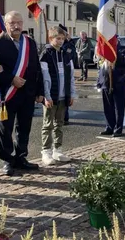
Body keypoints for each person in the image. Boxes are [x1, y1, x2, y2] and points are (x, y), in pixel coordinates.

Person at [0, 11, 44, 176]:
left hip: (28, 94)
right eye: (12, 23)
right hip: (7, 95)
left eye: (19, 22)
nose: (16, 26)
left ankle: (21, 157)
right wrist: (10, 78)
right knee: (5, 128)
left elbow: (36, 69)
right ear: (5, 24)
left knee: (24, 127)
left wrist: (40, 91)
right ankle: (7, 160)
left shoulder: (29, 43)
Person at [39, 27, 77, 166]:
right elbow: (44, 77)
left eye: (62, 38)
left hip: (63, 96)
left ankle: (57, 149)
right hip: (51, 96)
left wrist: (71, 93)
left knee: (59, 124)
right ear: (51, 39)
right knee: (48, 124)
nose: (61, 41)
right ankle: (46, 151)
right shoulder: (46, 54)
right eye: (58, 38)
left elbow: (71, 76)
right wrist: (46, 96)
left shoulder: (66, 54)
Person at [97, 37, 125, 137]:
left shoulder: (123, 50)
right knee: (107, 107)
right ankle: (109, 127)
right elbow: (100, 66)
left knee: (119, 107)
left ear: (116, 40)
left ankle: (118, 129)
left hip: (119, 81)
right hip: (106, 82)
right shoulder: (103, 50)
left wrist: (115, 54)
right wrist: (99, 81)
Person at [59, 25, 76, 125]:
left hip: (66, 72)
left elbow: (69, 56)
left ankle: (65, 117)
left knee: (66, 94)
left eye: (62, 35)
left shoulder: (69, 45)